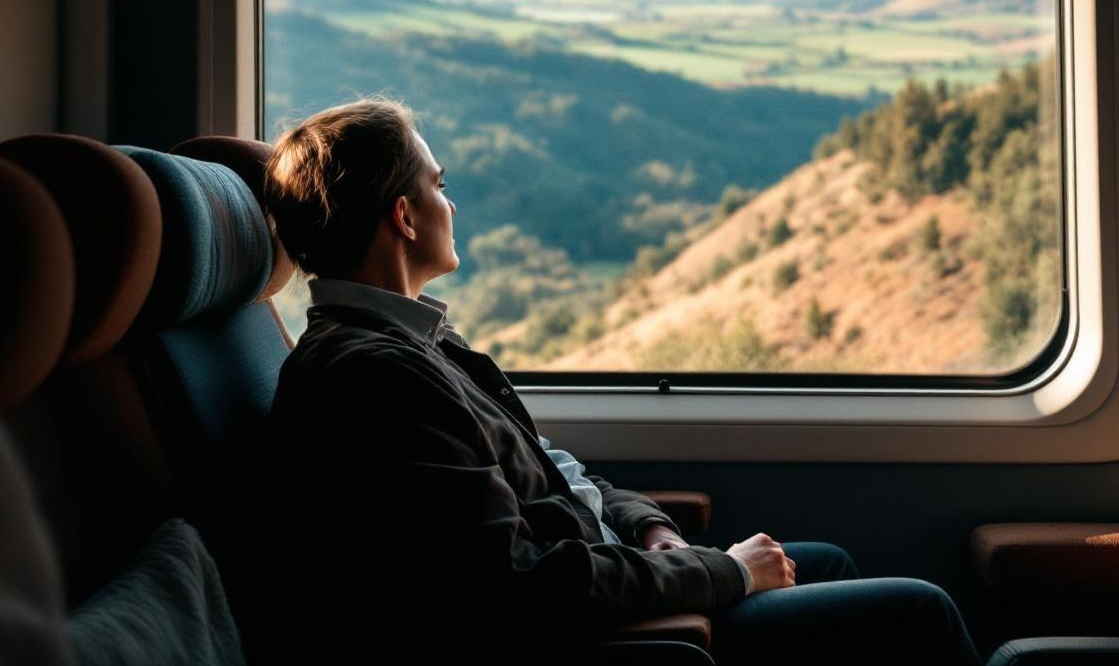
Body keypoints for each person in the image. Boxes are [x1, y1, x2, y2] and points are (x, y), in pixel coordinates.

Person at [261, 97, 980, 664]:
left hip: (621, 567)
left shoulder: (415, 342)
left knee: (829, 563)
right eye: (438, 186)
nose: (453, 205)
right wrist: (722, 574)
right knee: (920, 610)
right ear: (405, 217)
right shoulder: (375, 378)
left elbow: (551, 472)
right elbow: (519, 586)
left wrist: (652, 527)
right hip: (611, 636)